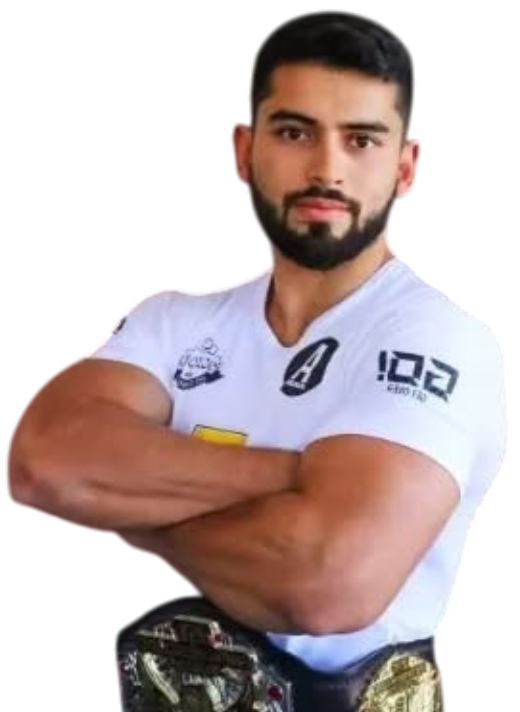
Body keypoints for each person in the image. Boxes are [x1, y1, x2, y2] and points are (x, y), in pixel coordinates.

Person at [7, 10, 511, 711]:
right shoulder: (173, 321)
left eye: (361, 140)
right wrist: (291, 477)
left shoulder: (442, 336)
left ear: (406, 168)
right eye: (294, 132)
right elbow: (40, 465)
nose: (327, 169)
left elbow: (326, 583)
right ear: (244, 151)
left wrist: (114, 509)